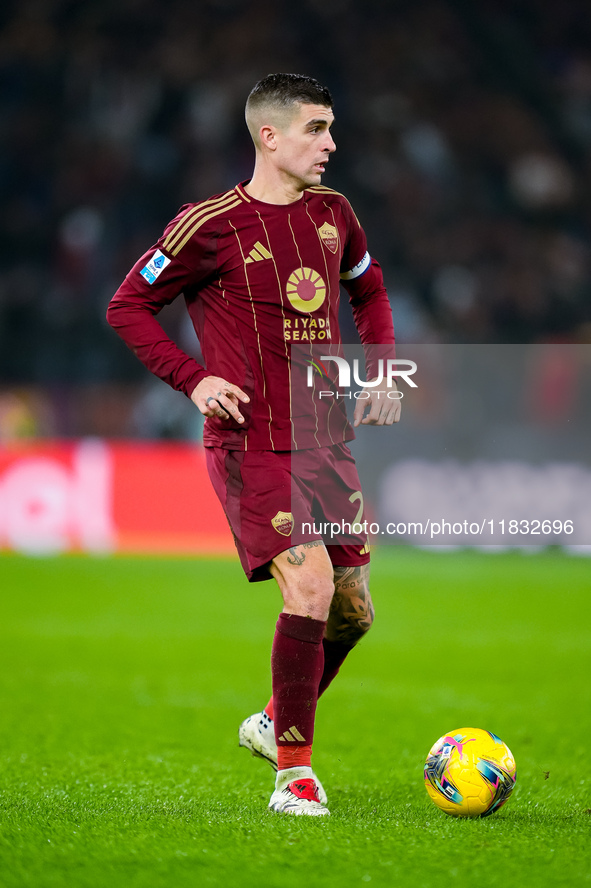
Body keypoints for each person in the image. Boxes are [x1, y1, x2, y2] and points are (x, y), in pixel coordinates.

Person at [107, 73, 400, 817]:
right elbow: (128, 305)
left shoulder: (336, 215)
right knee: (309, 587)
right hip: (252, 445)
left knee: (354, 611)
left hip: (325, 441)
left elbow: (369, 291)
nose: (331, 144)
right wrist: (194, 380)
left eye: (331, 128)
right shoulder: (207, 224)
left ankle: (272, 722)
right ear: (268, 136)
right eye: (316, 129)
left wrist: (382, 371)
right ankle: (292, 778)